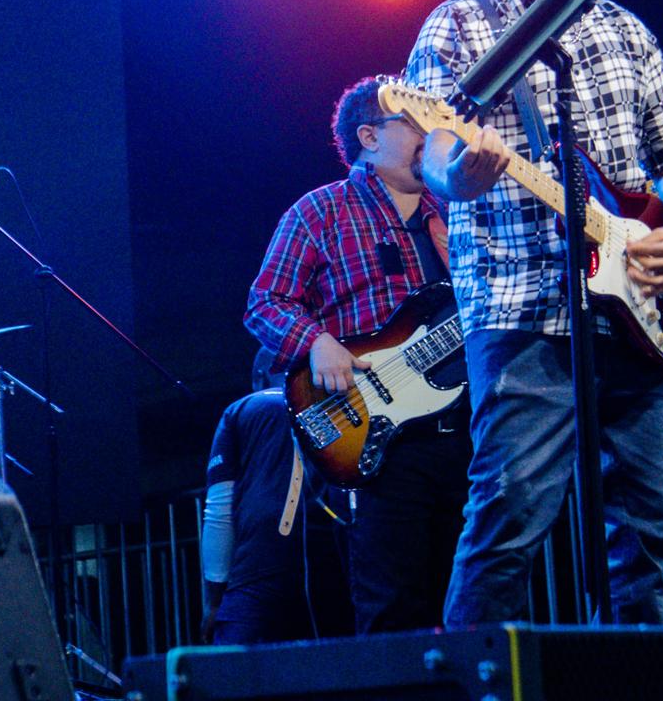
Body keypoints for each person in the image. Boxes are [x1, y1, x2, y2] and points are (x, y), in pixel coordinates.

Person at [407, 0, 663, 626]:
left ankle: (628, 680)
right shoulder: (457, 27)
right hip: (520, 314)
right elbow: (434, 152)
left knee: (652, 530)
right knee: (507, 526)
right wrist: (458, 174)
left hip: (634, 314)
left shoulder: (624, 31)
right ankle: (473, 680)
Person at [243, 78, 471, 634]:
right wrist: (316, 342)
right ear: (369, 137)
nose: (431, 135)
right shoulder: (320, 211)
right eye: (413, 124)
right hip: (380, 440)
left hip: (470, 431)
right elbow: (264, 302)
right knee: (394, 610)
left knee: (472, 605)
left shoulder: (457, 212)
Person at [201, 388, 320, 644]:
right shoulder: (340, 399)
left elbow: (219, 510)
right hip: (330, 559)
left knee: (238, 666)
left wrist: (214, 600)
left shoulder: (242, 409)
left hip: (260, 562)